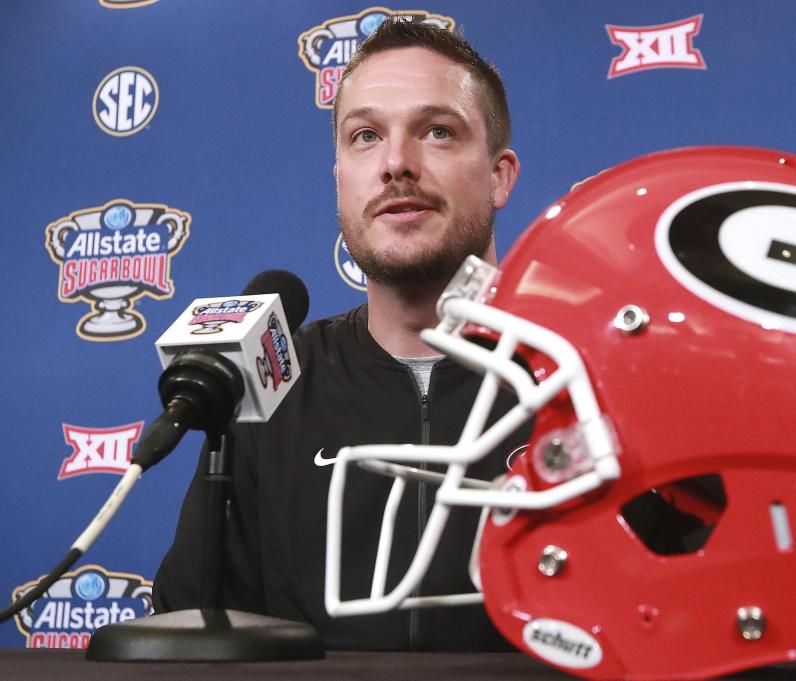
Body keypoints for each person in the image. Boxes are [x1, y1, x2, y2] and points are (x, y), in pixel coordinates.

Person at [152, 18, 525, 652]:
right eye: (366, 136)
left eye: (437, 131)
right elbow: (192, 630)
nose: (396, 164)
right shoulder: (272, 380)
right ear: (340, 178)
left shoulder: (593, 372)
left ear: (499, 175)